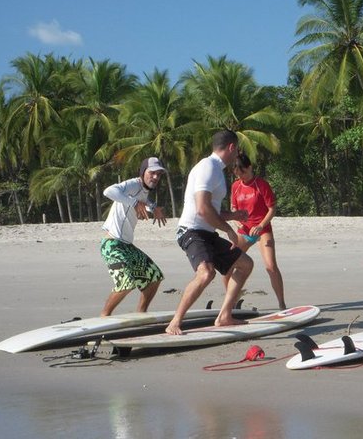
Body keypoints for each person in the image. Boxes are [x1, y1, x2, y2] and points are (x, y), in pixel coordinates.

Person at [166, 130, 254, 335]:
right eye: (237, 149)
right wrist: (229, 231)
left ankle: (224, 316)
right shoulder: (208, 167)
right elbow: (202, 209)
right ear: (231, 147)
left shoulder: (215, 169)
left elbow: (211, 209)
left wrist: (233, 215)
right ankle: (175, 322)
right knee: (206, 273)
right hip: (191, 231)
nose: (237, 154)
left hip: (206, 232)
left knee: (245, 264)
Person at [99, 157, 168, 316]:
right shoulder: (133, 184)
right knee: (126, 283)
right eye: (152, 173)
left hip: (127, 246)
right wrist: (135, 203)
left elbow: (144, 201)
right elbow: (109, 191)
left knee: (155, 277)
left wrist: (154, 207)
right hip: (111, 244)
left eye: (159, 174)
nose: (156, 177)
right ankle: (104, 317)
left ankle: (140, 314)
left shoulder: (144, 191)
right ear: (143, 172)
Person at [230, 153, 286, 309]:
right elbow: (233, 209)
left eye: (244, 172)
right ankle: (231, 303)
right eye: (238, 174)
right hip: (244, 231)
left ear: (250, 167)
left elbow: (272, 209)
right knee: (227, 264)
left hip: (262, 230)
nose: (242, 177)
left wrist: (261, 225)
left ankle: (281, 303)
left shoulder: (261, 185)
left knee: (270, 266)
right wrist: (237, 224)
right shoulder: (235, 186)